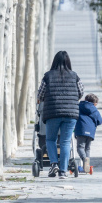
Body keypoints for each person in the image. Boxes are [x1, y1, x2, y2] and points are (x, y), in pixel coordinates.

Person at [37, 51, 84, 179]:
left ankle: (53, 164)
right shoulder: (75, 76)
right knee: (65, 142)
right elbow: (80, 92)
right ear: (68, 61)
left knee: (50, 139)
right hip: (70, 114)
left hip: (53, 113)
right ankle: (63, 171)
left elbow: (40, 95)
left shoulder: (48, 76)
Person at [74, 93, 102, 173]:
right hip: (90, 131)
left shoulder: (79, 106)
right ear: (95, 103)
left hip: (81, 129)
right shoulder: (94, 109)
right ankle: (86, 166)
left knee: (80, 147)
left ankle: (84, 161)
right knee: (87, 148)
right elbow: (100, 121)